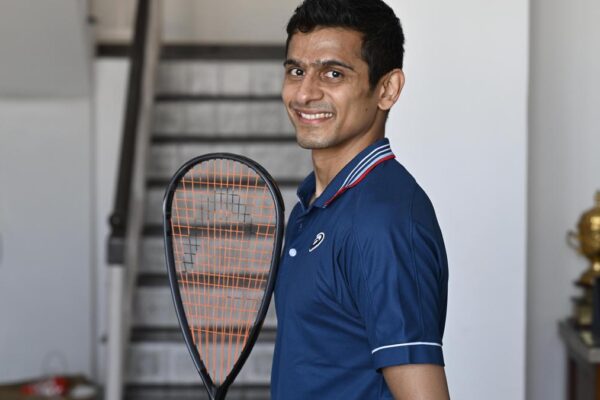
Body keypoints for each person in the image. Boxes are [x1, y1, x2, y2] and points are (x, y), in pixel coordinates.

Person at [271, 0, 450, 399]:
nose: (304, 93)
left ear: (387, 89)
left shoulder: (383, 220)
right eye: (296, 71)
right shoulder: (311, 207)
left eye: (333, 73)